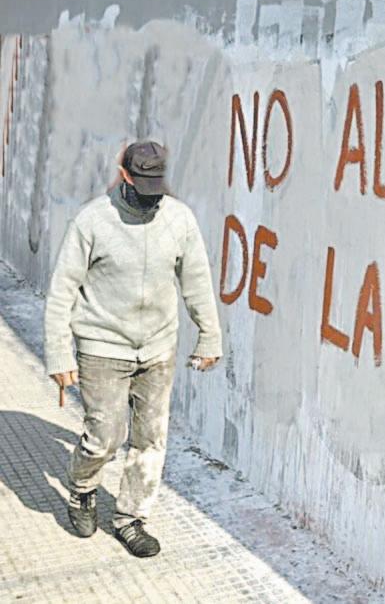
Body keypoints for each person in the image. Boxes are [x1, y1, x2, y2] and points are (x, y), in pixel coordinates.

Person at [43, 140, 223, 557]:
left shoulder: (179, 219)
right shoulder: (92, 220)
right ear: (124, 174)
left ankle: (130, 518)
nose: (150, 195)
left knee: (150, 439)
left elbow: (196, 280)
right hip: (103, 346)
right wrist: (59, 353)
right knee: (104, 438)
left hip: (158, 348)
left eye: (156, 185)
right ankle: (83, 488)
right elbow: (62, 289)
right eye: (142, 184)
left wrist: (209, 336)